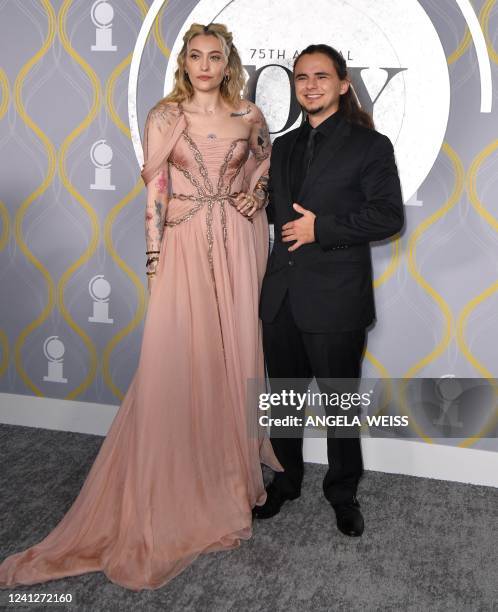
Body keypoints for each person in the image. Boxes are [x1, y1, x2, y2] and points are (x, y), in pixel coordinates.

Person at [0, 23, 282, 591]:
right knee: (181, 357)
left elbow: (263, 171)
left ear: (229, 63)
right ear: (184, 62)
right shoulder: (164, 115)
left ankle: (232, 478)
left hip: (236, 240)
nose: (205, 65)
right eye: (196, 56)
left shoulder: (250, 115)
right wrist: (154, 258)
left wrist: (259, 193)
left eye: (215, 57)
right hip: (180, 244)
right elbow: (155, 192)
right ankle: (185, 477)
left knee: (236, 353)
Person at [254, 44, 404, 536]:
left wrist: (324, 229)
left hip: (337, 299)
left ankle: (342, 492)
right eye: (301, 77)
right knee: (284, 400)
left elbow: (388, 216)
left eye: (321, 76)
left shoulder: (370, 145)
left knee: (339, 404)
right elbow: (278, 214)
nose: (310, 85)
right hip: (280, 298)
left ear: (343, 83)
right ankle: (286, 481)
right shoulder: (284, 146)